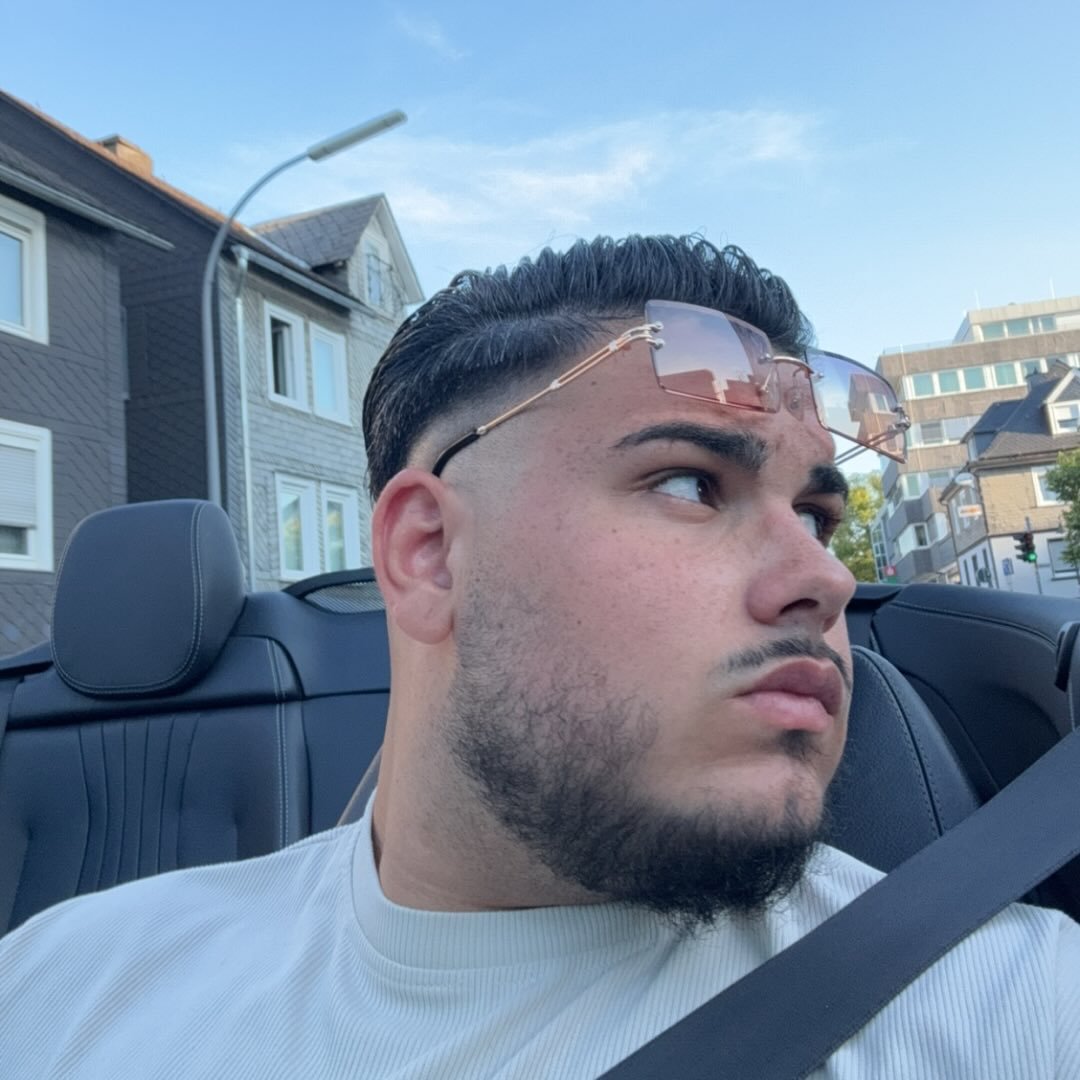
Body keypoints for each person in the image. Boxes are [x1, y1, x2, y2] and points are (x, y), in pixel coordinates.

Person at [1, 235, 1077, 1078]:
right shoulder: (61, 990)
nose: (825, 578)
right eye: (691, 484)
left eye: (816, 516)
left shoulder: (1012, 1007)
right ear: (428, 554)